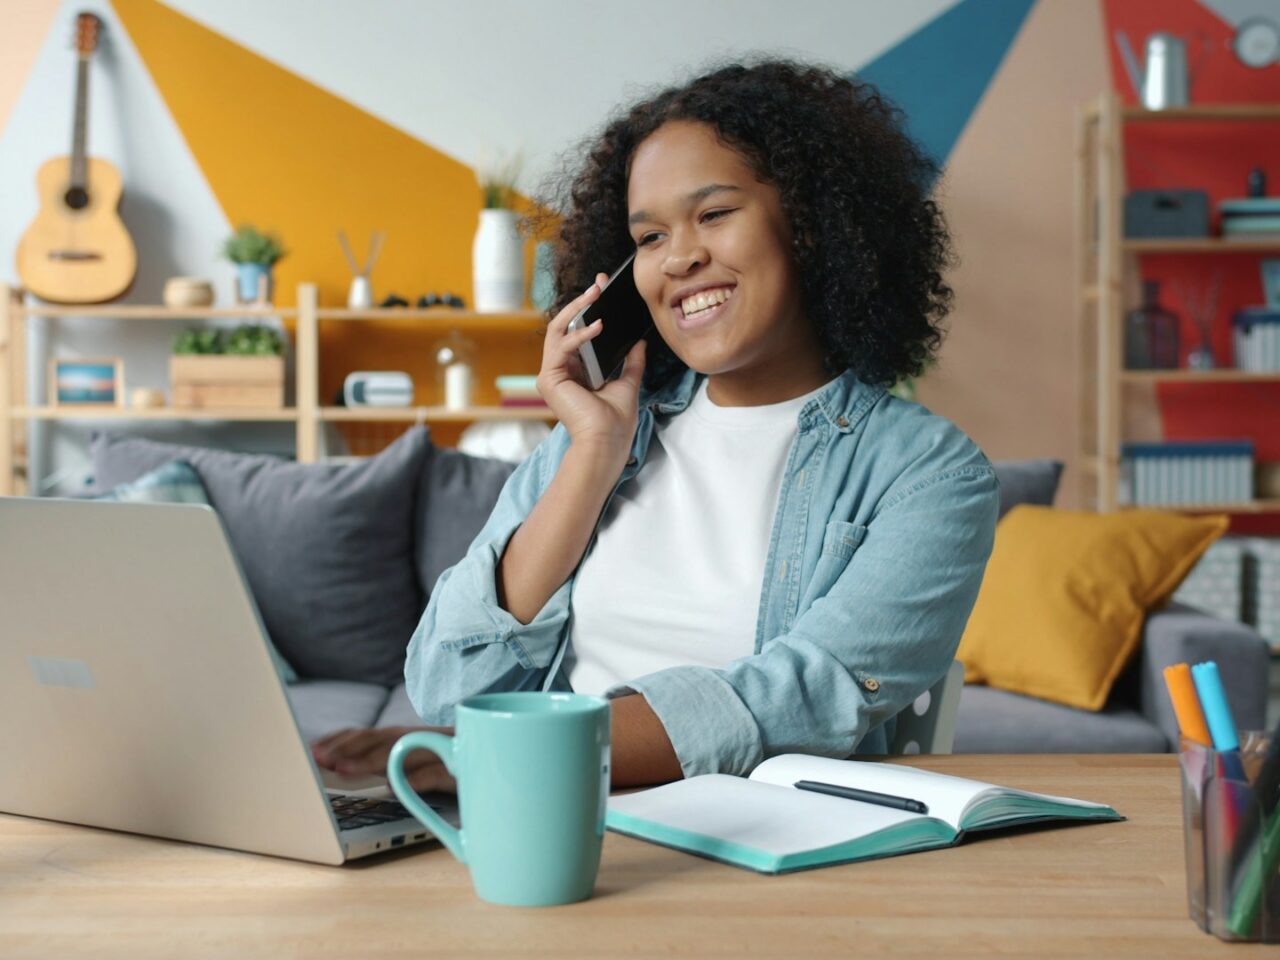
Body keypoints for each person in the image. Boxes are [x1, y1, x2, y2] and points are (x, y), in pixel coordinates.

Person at [312, 58, 999, 792]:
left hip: (763, 860)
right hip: (550, 824)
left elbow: (804, 698)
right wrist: (594, 453)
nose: (680, 258)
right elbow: (448, 683)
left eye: (713, 214)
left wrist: (506, 753)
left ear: (810, 224)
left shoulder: (930, 474)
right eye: (647, 238)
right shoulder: (601, 437)